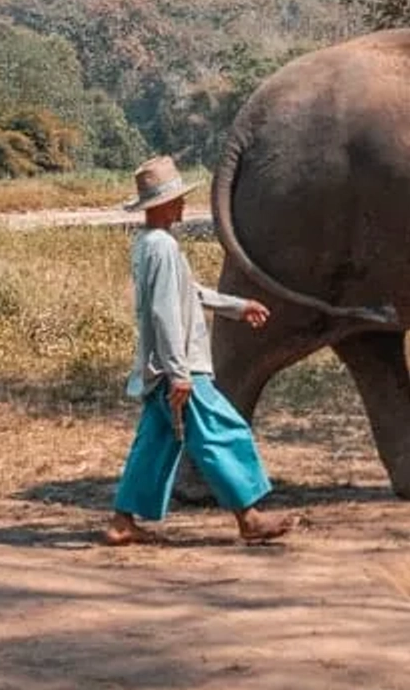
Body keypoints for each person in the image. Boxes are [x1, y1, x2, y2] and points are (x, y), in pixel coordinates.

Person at [104, 155, 293, 546]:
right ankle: (249, 517)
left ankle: (123, 521)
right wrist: (180, 372)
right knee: (224, 432)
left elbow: (189, 294)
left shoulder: (151, 245)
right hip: (180, 366)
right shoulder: (162, 248)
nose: (182, 204)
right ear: (162, 204)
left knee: (156, 443)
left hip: (162, 369)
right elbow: (164, 312)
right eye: (177, 198)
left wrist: (238, 307)